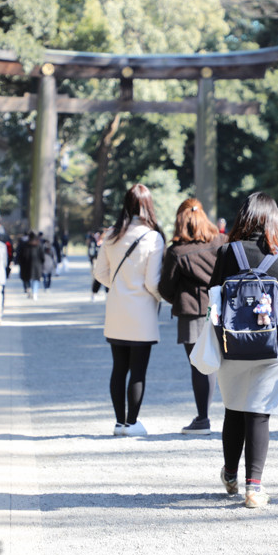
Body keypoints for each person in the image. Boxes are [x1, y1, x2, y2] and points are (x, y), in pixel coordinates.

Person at [208, 192, 278, 508]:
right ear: (275, 220)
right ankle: (254, 487)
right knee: (259, 413)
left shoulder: (226, 253)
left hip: (231, 343)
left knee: (234, 408)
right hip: (272, 346)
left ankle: (231, 475)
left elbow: (214, 295)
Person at [93, 184, 166, 437]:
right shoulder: (153, 237)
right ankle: (132, 423)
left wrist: (119, 286)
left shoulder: (112, 234)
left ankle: (119, 422)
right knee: (138, 370)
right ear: (148, 205)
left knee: (118, 367)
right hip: (142, 311)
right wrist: (161, 298)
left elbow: (100, 272)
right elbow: (152, 282)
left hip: (116, 309)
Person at [158, 198, 226, 435]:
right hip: (223, 308)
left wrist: (179, 295)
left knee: (199, 365)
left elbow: (165, 288)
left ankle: (203, 418)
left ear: (179, 220)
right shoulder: (222, 242)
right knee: (225, 364)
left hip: (192, 312)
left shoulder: (176, 252)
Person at [18, 231, 44, 299]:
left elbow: (20, 256)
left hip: (26, 265)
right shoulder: (39, 245)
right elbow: (42, 256)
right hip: (37, 266)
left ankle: (29, 289)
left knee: (27, 279)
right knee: (36, 280)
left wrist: (20, 263)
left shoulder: (25, 245)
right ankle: (35, 293)